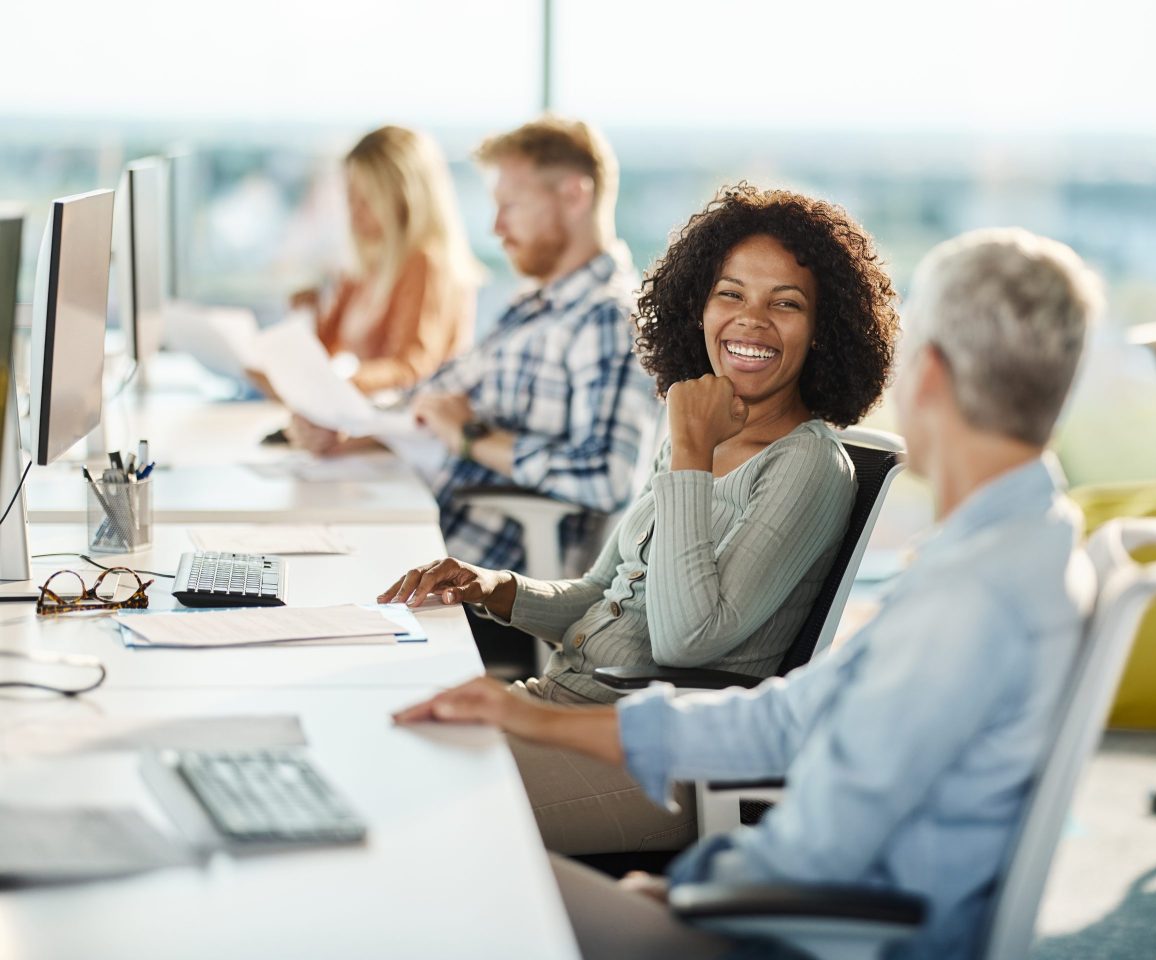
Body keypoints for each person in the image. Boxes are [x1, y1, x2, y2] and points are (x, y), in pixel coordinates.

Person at [392, 228, 1100, 960]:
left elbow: (828, 839)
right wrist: (531, 713)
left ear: (930, 374)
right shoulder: (1010, 549)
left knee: (429, 854)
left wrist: (691, 889)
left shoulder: (973, 598)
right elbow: (788, 718)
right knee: (414, 786)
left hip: (790, 935)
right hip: (766, 890)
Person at [380, 184, 901, 854]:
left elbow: (687, 641)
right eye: (731, 294)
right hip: (562, 707)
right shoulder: (694, 436)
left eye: (786, 303)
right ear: (698, 308)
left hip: (657, 761)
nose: (751, 321)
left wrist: (690, 453)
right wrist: (493, 587)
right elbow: (600, 596)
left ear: (823, 329)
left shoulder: (807, 466)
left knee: (411, 801)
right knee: (385, 746)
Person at [291, 117, 658, 578]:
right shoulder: (534, 306)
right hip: (432, 532)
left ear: (573, 196)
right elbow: (432, 397)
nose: (496, 227)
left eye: (511, 206)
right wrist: (348, 430)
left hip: (480, 572)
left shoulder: (608, 318)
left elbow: (607, 477)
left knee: (301, 571)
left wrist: (472, 438)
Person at [294, 125, 479, 394]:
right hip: (367, 409)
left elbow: (413, 370)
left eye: (367, 199)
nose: (353, 211)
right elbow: (325, 350)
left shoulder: (426, 264)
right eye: (350, 196)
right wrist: (309, 314)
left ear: (405, 198)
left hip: (405, 414)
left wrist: (343, 384)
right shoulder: (364, 266)